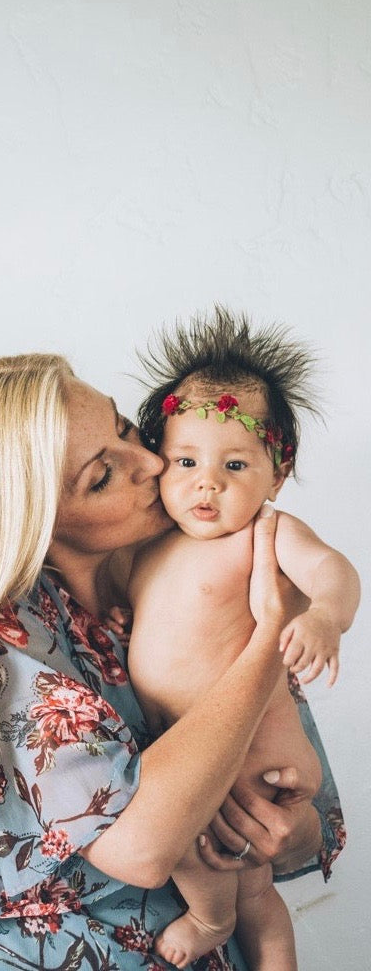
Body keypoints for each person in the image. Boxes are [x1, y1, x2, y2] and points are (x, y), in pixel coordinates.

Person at [0, 352, 346, 970]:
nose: (155, 463)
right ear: (36, 520)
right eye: (103, 476)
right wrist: (268, 638)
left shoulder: (182, 577)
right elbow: (142, 849)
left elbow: (289, 779)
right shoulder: (12, 641)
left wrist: (289, 832)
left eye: (127, 429)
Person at [123, 310, 359, 969]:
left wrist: (322, 617)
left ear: (275, 475)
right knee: (256, 889)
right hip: (204, 751)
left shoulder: (263, 537)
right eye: (186, 461)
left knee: (201, 849)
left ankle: (208, 917)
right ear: (156, 467)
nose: (208, 482)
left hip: (256, 755)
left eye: (234, 464)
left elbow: (333, 571)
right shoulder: (145, 552)